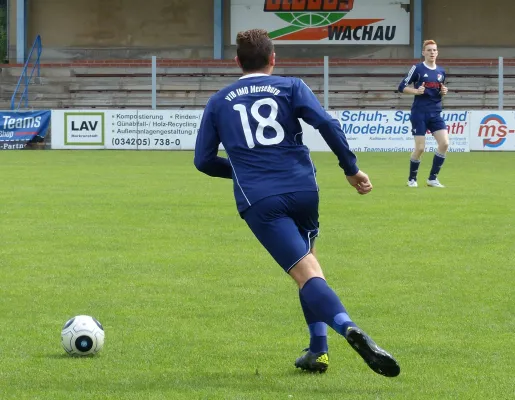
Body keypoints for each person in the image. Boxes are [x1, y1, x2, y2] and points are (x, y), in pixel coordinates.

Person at [194, 28, 400, 377]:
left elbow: (203, 160)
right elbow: (326, 123)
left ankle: (347, 327)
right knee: (311, 266)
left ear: (237, 61)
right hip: (304, 190)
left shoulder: (219, 100)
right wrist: (351, 169)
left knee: (305, 274)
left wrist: (244, 170)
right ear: (273, 59)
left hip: (261, 198)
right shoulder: (291, 86)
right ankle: (318, 350)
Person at [398, 39, 449, 188]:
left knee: (444, 143)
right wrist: (416, 91)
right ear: (424, 53)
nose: (432, 52)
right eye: (429, 50)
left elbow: (439, 92)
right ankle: (412, 179)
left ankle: (432, 178)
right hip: (419, 113)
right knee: (420, 148)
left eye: (434, 50)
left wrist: (443, 92)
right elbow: (402, 86)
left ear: (437, 52)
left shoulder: (441, 72)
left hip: (436, 113)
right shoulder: (417, 69)